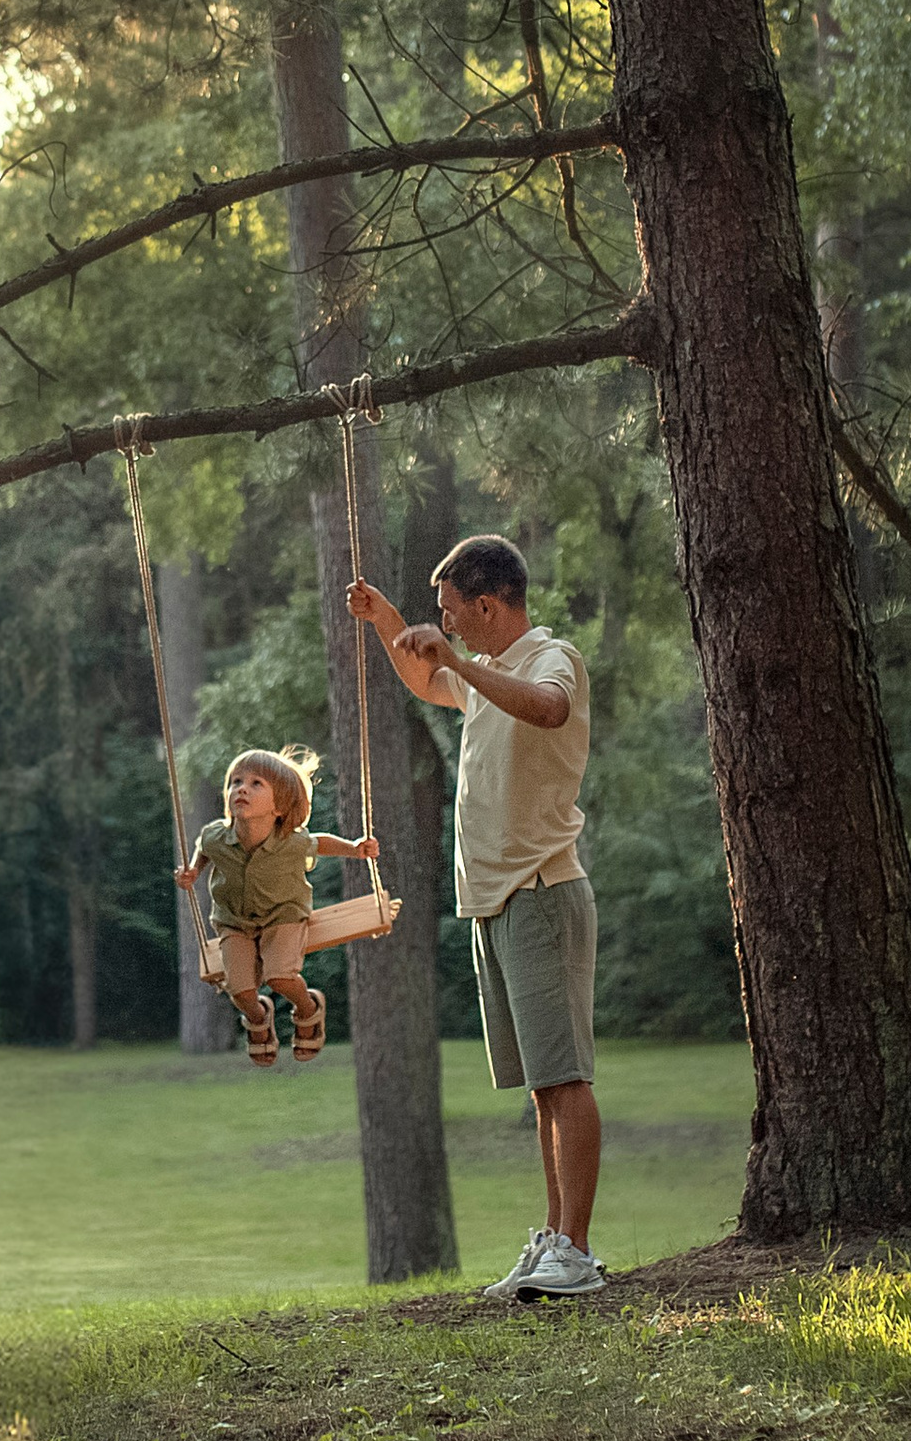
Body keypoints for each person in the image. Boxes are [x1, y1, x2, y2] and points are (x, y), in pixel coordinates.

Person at [348, 535, 605, 1299]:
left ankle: (576, 1250)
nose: (447, 625)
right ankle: (554, 1240)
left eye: (451, 611)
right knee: (541, 1086)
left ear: (487, 605)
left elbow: (551, 710)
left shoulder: (550, 658)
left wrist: (458, 664)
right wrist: (386, 620)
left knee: (565, 1077)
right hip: (496, 904)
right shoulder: (485, 674)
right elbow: (429, 681)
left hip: (542, 893)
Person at [177, 747, 382, 1068]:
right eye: (236, 782)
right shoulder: (215, 836)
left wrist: (355, 849)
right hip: (234, 921)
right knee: (240, 991)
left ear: (280, 807)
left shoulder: (291, 841)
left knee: (280, 978)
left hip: (283, 915)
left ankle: (308, 1008)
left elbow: (320, 842)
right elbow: (204, 848)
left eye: (256, 783)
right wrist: (193, 871)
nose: (241, 789)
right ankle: (258, 1018)